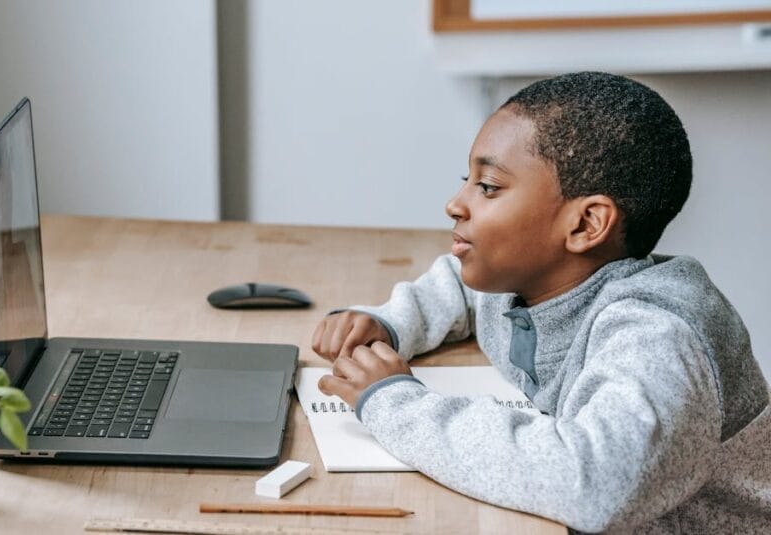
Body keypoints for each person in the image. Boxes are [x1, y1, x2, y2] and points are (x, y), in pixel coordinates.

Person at [312, 72, 770, 533]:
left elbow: (598, 485)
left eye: (488, 187)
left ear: (586, 225)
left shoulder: (658, 335)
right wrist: (391, 324)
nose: (455, 203)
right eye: (465, 181)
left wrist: (396, 404)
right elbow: (462, 285)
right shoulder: (530, 280)